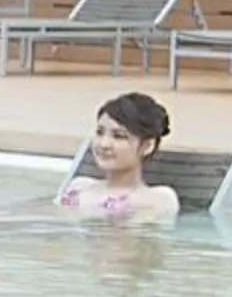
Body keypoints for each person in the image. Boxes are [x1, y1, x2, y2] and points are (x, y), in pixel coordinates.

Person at [56, 90, 180, 224]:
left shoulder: (157, 199)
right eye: (100, 132)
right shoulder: (79, 186)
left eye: (119, 136)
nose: (104, 144)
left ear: (148, 146)